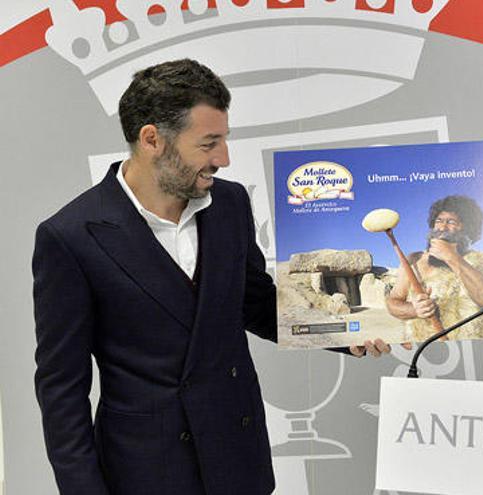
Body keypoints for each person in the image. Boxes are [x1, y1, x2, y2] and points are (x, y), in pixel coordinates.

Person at [32, 59, 390, 495]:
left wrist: (347, 330)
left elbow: (256, 304)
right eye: (209, 143)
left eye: (224, 139)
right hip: (145, 473)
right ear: (152, 140)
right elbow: (62, 390)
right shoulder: (70, 236)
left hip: (238, 459)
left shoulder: (231, 204)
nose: (224, 158)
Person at [386, 195, 483, 341]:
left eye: (451, 222)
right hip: (425, 351)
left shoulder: (480, 261)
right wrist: (414, 309)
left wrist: (452, 257)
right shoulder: (414, 261)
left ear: (467, 228)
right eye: (439, 221)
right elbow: (394, 302)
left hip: (472, 353)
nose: (442, 227)